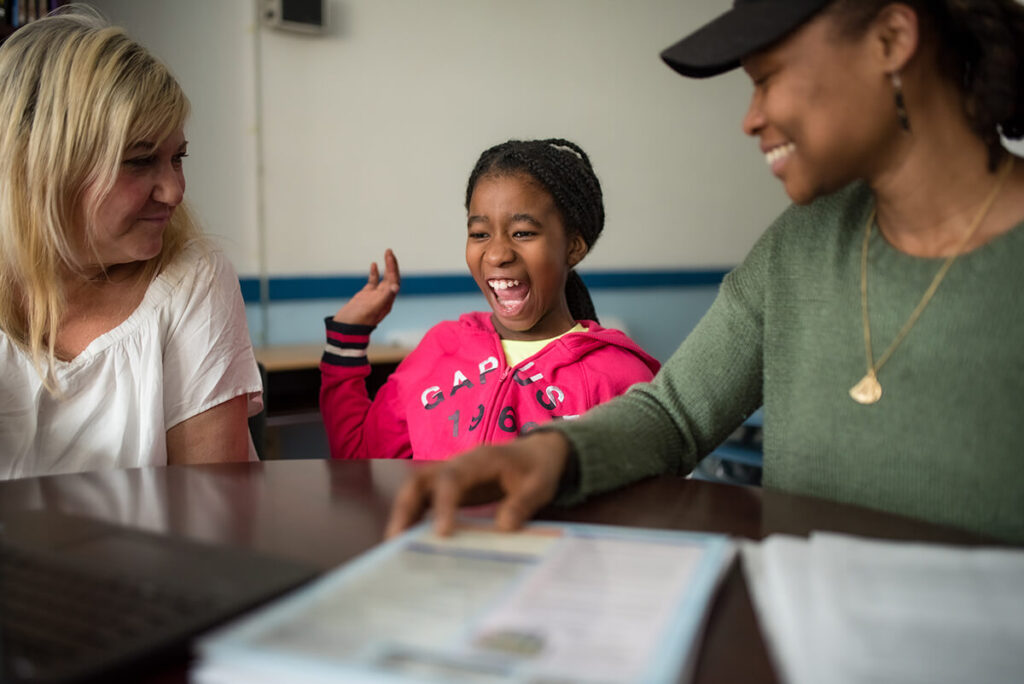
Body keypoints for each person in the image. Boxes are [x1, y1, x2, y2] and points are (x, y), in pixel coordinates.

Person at [387, 0, 1024, 543]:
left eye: (768, 77)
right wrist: (548, 451)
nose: (749, 118)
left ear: (890, 41)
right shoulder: (798, 248)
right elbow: (674, 415)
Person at [0, 9, 263, 478]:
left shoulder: (191, 277)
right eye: (140, 161)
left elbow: (212, 514)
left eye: (178, 158)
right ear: (38, 169)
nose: (174, 191)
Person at [319, 138, 660, 460]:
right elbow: (360, 458)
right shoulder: (441, 350)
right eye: (479, 234)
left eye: (523, 233)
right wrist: (348, 334)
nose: (496, 253)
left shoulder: (620, 376)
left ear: (573, 246)